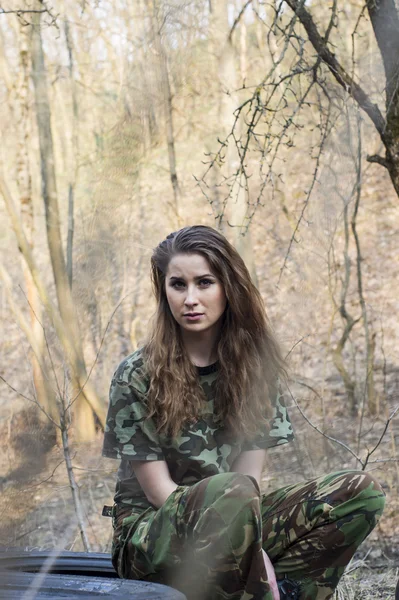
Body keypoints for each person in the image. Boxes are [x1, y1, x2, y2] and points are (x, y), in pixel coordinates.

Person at [102, 225, 385, 600]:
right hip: (152, 532)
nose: (190, 298)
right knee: (231, 492)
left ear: (228, 288)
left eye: (204, 282)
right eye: (178, 284)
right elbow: (160, 493)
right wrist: (253, 548)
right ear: (163, 290)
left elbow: (248, 479)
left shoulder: (254, 369)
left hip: (237, 513)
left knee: (360, 493)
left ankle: (284, 592)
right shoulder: (137, 374)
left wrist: (252, 542)